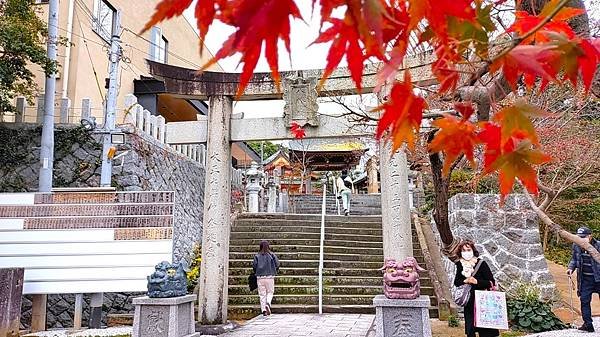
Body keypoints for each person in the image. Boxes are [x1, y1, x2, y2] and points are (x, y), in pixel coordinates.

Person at [454, 240, 499, 337]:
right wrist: (465, 281)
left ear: (473, 250)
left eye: (468, 249)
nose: (466, 252)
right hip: (469, 302)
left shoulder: (481, 263)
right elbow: (456, 282)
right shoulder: (459, 264)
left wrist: (477, 282)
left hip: (483, 301)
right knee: (471, 330)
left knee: (486, 330)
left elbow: (491, 282)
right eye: (464, 250)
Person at [567, 226, 600, 332]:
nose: (580, 239)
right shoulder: (576, 245)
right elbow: (574, 259)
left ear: (590, 236)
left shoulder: (598, 245)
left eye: (583, 237)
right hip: (585, 278)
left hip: (599, 278)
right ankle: (588, 324)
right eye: (579, 237)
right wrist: (570, 268)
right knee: (584, 300)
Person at [252, 240, 280, 316]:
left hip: (260, 277)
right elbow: (277, 264)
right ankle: (268, 303)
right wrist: (274, 269)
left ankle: (263, 310)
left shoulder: (257, 256)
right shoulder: (272, 255)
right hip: (270, 276)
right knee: (270, 292)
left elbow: (254, 266)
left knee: (262, 294)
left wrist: (257, 271)